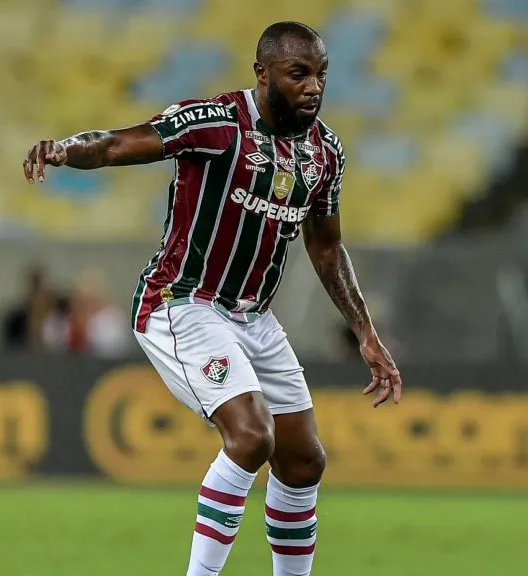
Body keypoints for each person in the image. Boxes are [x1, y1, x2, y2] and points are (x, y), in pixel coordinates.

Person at [23, 21, 402, 576]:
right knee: (251, 436)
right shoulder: (215, 123)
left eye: (321, 74)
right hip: (182, 302)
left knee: (303, 461)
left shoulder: (325, 153)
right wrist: (61, 149)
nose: (314, 87)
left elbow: (327, 247)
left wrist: (366, 334)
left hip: (254, 317)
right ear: (263, 73)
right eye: (298, 74)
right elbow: (116, 144)